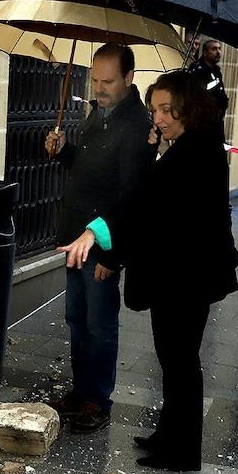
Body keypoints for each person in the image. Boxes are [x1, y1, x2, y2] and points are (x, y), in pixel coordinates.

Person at [108, 70, 238, 471]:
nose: (160, 117)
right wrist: (156, 152)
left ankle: (183, 452)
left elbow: (153, 200)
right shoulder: (186, 146)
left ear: (188, 107)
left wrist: (152, 158)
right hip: (178, 274)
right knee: (173, 359)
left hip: (186, 277)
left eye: (167, 109)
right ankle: (168, 435)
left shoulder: (197, 150)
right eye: (155, 110)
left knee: (181, 361)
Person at [43, 43, 154, 433]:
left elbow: (130, 197)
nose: (100, 87)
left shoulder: (138, 125)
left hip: (102, 245)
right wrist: (64, 151)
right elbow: (89, 169)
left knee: (100, 324)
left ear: (129, 79)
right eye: (95, 78)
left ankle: (97, 400)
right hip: (76, 237)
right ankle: (80, 390)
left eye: (108, 81)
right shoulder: (98, 114)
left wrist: (113, 256)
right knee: (77, 319)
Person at [188, 39, 230, 118]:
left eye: (219, 49)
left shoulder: (217, 71)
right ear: (205, 52)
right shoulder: (197, 70)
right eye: (214, 49)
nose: (218, 52)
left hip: (216, 117)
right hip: (202, 118)